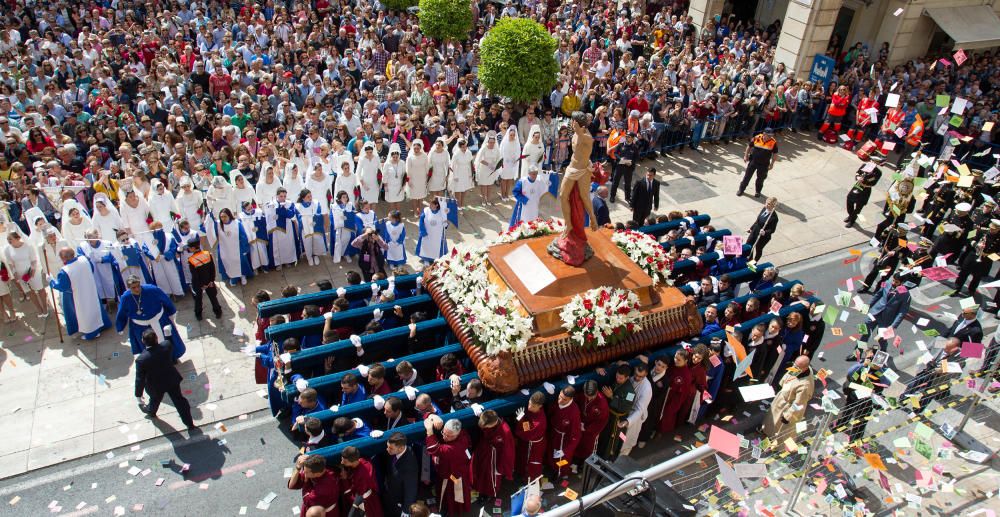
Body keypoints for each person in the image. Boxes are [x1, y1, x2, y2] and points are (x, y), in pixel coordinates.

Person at [134, 328, 195, 429]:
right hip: (171, 380)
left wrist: (138, 395)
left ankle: (151, 412)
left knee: (155, 400)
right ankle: (189, 423)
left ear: (143, 341)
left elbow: (139, 379)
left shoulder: (141, 360)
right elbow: (170, 342)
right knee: (179, 401)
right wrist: (168, 334)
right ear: (157, 338)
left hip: (155, 385)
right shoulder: (166, 346)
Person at [48, 247, 112, 340]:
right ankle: (102, 325)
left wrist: (51, 281)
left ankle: (92, 333)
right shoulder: (84, 259)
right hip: (90, 289)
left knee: (85, 313)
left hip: (79, 295)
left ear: (63, 259)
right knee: (96, 307)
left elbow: (62, 287)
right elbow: (92, 269)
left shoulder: (65, 270)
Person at [116, 276, 186, 359]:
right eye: (133, 288)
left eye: (138, 286)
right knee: (148, 347)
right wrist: (120, 326)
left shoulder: (152, 289)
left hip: (159, 321)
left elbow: (165, 300)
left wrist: (171, 312)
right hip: (140, 326)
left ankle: (171, 358)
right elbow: (122, 312)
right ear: (129, 288)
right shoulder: (126, 298)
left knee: (166, 341)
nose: (137, 289)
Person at [424, 416, 472, 515]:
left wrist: (429, 431)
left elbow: (434, 449)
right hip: (459, 472)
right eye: (443, 433)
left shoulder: (452, 448)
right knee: (456, 495)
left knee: (452, 496)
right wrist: (432, 416)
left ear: (456, 435)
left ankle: (452, 512)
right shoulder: (463, 433)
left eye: (449, 436)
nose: (444, 437)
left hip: (453, 476)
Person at [854, 272, 910, 357]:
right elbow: (878, 294)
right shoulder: (887, 283)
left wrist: (893, 326)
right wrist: (868, 306)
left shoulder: (906, 294)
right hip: (875, 312)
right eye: (893, 280)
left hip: (887, 319)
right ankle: (857, 354)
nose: (893, 283)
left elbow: (902, 312)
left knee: (881, 338)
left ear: (902, 283)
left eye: (896, 282)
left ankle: (883, 349)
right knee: (865, 332)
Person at [762, 355, 815, 438]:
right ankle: (765, 430)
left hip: (787, 406)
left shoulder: (805, 386)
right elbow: (789, 374)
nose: (794, 367)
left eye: (797, 367)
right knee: (771, 418)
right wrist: (781, 383)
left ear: (805, 368)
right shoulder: (798, 369)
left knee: (777, 424)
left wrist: (788, 416)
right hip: (782, 398)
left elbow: (799, 403)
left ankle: (772, 438)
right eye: (794, 364)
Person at [472, 409, 515, 501]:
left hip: (496, 459)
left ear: (493, 423)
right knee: (481, 472)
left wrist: (502, 468)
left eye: (486, 426)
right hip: (484, 452)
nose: (485, 427)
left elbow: (508, 452)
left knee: (492, 478)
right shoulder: (487, 417)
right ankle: (480, 489)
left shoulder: (505, 431)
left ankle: (490, 494)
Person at [597, 363, 635, 460]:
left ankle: (609, 458)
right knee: (604, 437)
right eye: (617, 377)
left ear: (627, 378)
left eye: (621, 378)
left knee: (615, 440)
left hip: (618, 420)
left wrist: (611, 397)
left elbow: (625, 407)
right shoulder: (616, 380)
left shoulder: (630, 392)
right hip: (609, 415)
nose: (618, 379)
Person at [954, 219, 1000, 297]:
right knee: (963, 272)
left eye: (993, 229)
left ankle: (971, 290)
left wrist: (988, 256)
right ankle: (957, 288)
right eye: (991, 228)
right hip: (973, 255)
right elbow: (970, 236)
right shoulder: (981, 231)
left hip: (986, 260)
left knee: (977, 277)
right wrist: (976, 245)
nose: (991, 230)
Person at [546, 386, 581, 478]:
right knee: (551, 453)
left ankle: (561, 473)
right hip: (554, 434)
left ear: (571, 399)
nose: (560, 401)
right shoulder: (556, 403)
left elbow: (576, 435)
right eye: (559, 397)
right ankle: (552, 468)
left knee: (563, 459)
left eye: (564, 399)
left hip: (564, 440)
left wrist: (566, 450)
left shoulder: (574, 412)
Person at [513, 391, 548, 481]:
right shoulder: (531, 410)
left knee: (533, 464)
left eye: (533, 406)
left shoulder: (540, 422)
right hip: (527, 443)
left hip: (535, 446)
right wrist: (521, 419)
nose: (529, 407)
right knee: (523, 458)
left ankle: (531, 480)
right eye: (529, 403)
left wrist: (521, 420)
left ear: (540, 406)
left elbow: (528, 433)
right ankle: (522, 473)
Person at [619, 362, 652, 456]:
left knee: (627, 440)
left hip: (635, 418)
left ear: (645, 375)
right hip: (625, 411)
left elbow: (640, 410)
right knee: (620, 436)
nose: (637, 378)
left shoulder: (647, 389)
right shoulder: (631, 378)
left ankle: (622, 455)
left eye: (640, 376)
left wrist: (628, 421)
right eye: (636, 374)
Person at [186, 238, 223, 321]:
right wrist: (211, 281)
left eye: (189, 247)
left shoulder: (191, 260)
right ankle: (218, 312)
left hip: (199, 284)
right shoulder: (207, 254)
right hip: (209, 281)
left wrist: (201, 285)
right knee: (213, 297)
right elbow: (212, 268)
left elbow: (195, 275)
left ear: (193, 248)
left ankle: (198, 314)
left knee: (198, 299)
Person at [382, 432, 418, 517]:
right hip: (389, 492)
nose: (387, 450)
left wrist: (406, 510)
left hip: (398, 500)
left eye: (390, 448)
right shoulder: (394, 451)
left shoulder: (410, 466)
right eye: (387, 446)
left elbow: (411, 489)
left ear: (401, 448)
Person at [339, 446, 383, 515]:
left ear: (353, 461)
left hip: (367, 503)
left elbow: (356, 498)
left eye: (344, 461)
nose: (342, 462)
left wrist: (345, 480)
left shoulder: (363, 477)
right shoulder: (363, 461)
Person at [574, 379, 609, 465]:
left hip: (591, 431)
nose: (589, 398)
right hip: (580, 424)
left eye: (591, 397)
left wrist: (586, 428)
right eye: (587, 395)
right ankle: (576, 460)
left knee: (588, 447)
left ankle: (584, 464)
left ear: (596, 391)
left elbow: (601, 421)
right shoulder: (582, 395)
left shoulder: (602, 403)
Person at [738, 128, 778, 198]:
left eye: (771, 135)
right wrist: (745, 155)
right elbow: (749, 146)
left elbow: (775, 154)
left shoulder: (773, 142)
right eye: (769, 135)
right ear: (764, 134)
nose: (770, 137)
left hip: (764, 164)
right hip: (753, 161)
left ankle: (758, 191)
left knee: (761, 179)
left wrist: (772, 164)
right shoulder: (756, 138)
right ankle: (741, 190)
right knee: (747, 177)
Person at [844, 160, 883, 227]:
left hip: (865, 189)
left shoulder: (878, 172)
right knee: (849, 200)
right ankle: (850, 215)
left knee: (859, 206)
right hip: (858, 186)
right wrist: (858, 177)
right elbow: (857, 172)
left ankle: (852, 220)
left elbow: (873, 181)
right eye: (872, 161)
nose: (872, 163)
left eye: (875, 162)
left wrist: (867, 177)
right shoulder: (865, 165)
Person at [416, 197, 450, 263]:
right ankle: (426, 259)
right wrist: (422, 231)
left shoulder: (442, 213)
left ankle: (437, 258)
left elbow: (445, 224)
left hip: (438, 235)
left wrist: (446, 223)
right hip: (427, 233)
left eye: (431, 204)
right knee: (426, 246)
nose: (429, 205)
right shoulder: (426, 210)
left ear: (436, 205)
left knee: (437, 247)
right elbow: (421, 221)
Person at [746, 197, 779, 262]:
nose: (766, 205)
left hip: (763, 236)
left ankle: (753, 263)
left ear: (773, 206)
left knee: (758, 249)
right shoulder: (764, 209)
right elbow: (758, 220)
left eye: (769, 204)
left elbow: (772, 230)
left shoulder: (774, 218)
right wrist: (751, 228)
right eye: (766, 203)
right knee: (748, 244)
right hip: (755, 230)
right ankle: (750, 260)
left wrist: (764, 232)